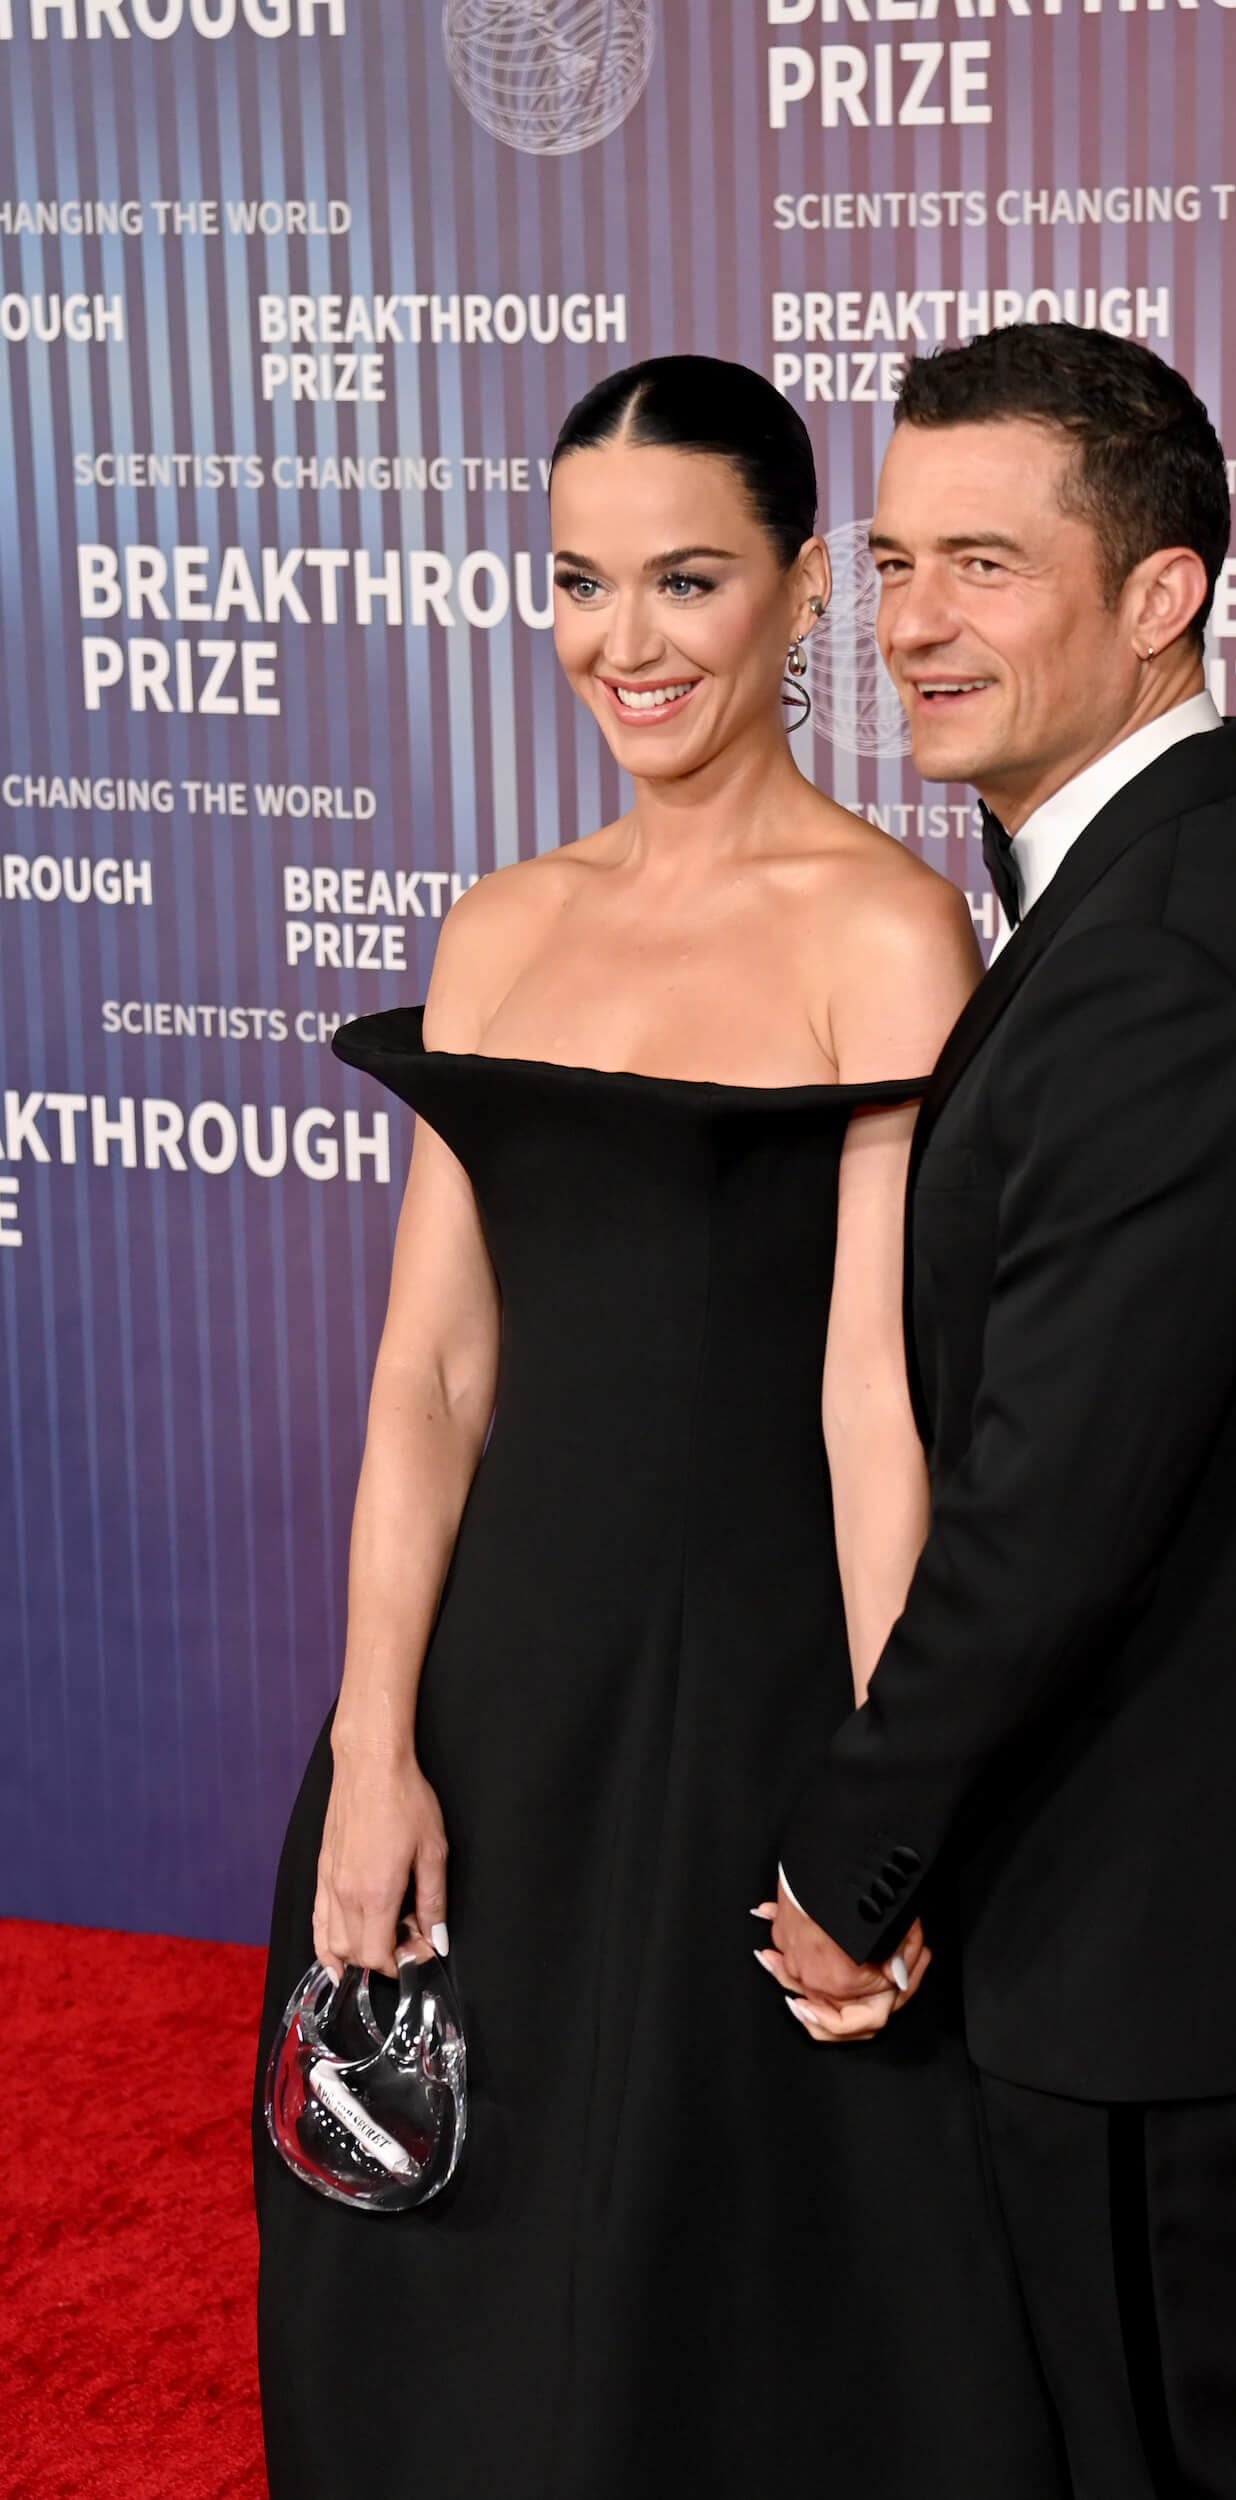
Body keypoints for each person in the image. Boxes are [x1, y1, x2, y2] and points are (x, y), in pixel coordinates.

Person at [252, 355, 1067, 2500]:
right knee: (447, 2233)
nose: (628, 641)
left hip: (746, 1703)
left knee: (748, 2262)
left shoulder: (886, 934)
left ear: (804, 592)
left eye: (687, 579)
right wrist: (372, 1736)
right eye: (580, 583)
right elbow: (431, 1372)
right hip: (501, 1700)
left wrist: (894, 1805)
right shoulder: (501, 927)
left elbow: (879, 1406)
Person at [762, 324, 1236, 2500]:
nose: (911, 623)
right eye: (890, 560)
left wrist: (851, 1847)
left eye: (984, 559)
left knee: (1170, 2451)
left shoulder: (1172, 943)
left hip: (1143, 1912)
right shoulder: (1163, 891)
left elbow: (1058, 1495)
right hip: (1142, 1890)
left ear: (1160, 592)